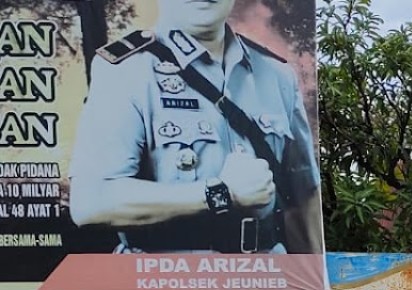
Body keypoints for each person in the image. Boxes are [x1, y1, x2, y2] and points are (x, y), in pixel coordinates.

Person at [68, 0, 323, 255]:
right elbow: (90, 202)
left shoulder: (276, 74)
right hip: (166, 282)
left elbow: (304, 198)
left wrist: (313, 286)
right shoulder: (125, 70)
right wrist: (220, 193)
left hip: (265, 275)